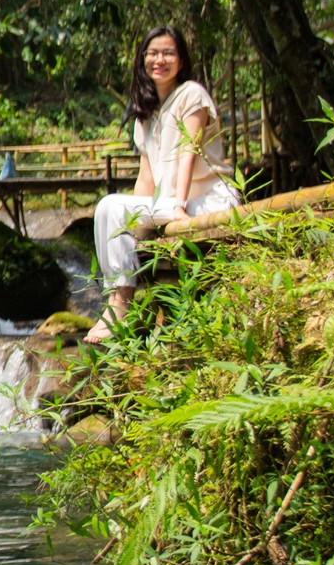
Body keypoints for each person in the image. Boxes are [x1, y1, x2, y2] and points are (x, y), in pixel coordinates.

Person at [86, 26, 243, 344]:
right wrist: (135, 224)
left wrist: (179, 206)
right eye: (153, 53)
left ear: (181, 60)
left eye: (168, 53)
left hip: (207, 200)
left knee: (111, 207)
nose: (160, 59)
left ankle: (121, 305)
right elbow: (146, 178)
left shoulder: (192, 95)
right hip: (169, 204)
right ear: (143, 59)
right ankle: (119, 300)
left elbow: (190, 150)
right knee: (110, 208)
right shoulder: (145, 114)